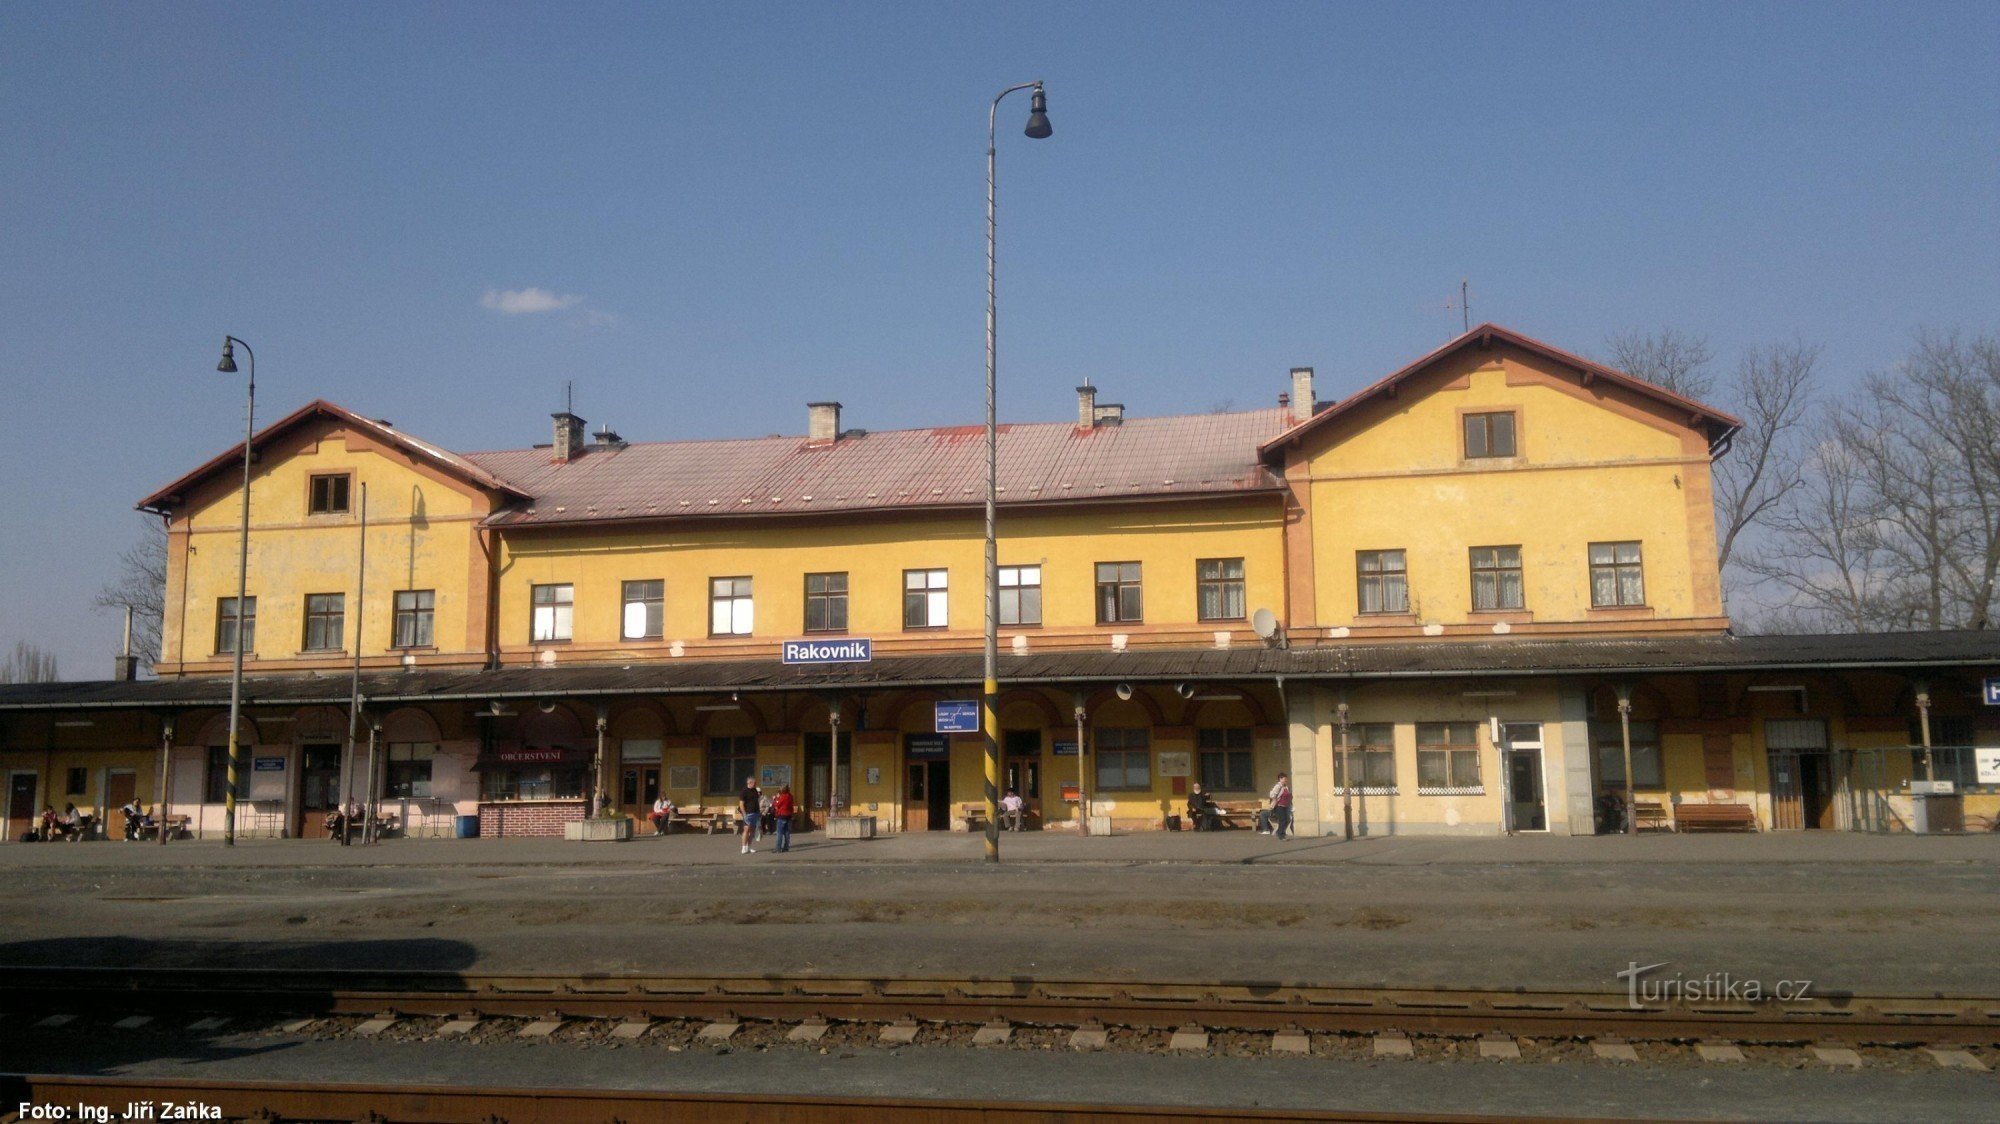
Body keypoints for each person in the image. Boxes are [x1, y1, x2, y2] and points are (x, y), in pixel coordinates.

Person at [738, 776, 761, 855]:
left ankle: (749, 846)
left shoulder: (755, 790)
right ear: (750, 783)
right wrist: (744, 814)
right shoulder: (744, 791)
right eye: (754, 783)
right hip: (748, 814)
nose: (755, 784)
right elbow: (741, 804)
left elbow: (757, 801)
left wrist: (758, 813)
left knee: (752, 831)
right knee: (746, 830)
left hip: (755, 813)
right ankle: (744, 847)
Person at [1268, 773, 1293, 841]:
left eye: (1286, 779)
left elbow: (1289, 796)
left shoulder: (1286, 787)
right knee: (1283, 820)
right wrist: (1275, 799)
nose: (1286, 780)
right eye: (1284, 779)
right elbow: (1272, 794)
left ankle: (1279, 831)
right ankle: (1281, 835)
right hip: (1279, 806)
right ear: (1280, 779)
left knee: (1288, 819)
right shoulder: (1278, 786)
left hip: (1286, 805)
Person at [771, 785, 795, 853]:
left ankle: (778, 848)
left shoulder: (783, 796)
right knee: (787, 833)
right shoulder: (790, 796)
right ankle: (786, 847)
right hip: (789, 815)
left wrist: (775, 799)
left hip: (782, 816)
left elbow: (777, 805)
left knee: (779, 833)